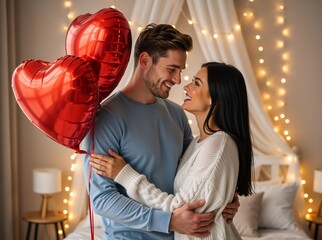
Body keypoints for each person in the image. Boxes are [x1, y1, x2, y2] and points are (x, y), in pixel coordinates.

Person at [81, 24, 240, 240]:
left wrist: (225, 197)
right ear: (145, 61)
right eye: (172, 69)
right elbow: (102, 199)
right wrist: (168, 222)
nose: (177, 80)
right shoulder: (105, 119)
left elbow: (192, 173)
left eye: (181, 71)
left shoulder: (176, 114)